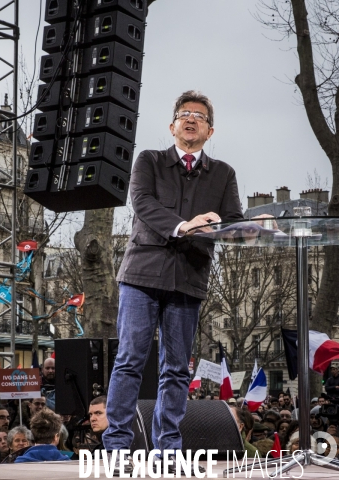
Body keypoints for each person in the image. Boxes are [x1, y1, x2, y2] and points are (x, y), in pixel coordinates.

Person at [104, 91, 243, 474]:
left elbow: (233, 221)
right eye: (183, 114)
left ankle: (168, 450)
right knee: (130, 360)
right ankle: (117, 447)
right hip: (141, 275)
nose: (190, 119)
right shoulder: (148, 160)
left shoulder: (224, 173)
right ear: (172, 126)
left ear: (209, 130)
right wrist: (186, 226)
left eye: (198, 116)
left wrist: (224, 223)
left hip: (189, 277)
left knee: (177, 368)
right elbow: (143, 204)